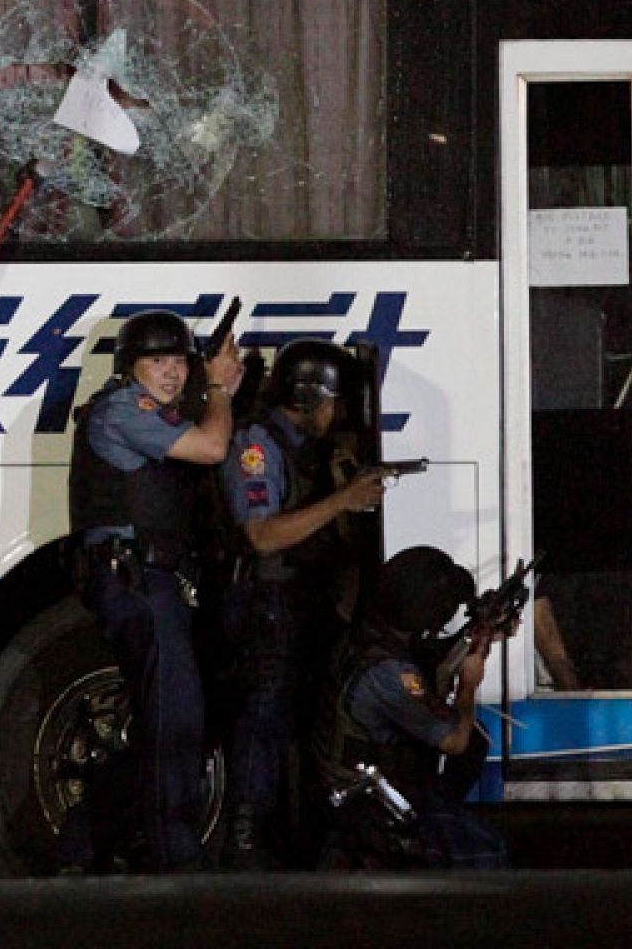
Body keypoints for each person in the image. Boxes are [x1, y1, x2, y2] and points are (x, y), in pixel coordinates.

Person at [64, 309, 244, 872]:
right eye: (157, 361)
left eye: (179, 361)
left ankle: (82, 842)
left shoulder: (159, 413)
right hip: (135, 579)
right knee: (174, 722)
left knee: (164, 720)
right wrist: (216, 387)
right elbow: (213, 448)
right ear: (129, 367)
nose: (171, 372)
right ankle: (176, 861)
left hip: (151, 581)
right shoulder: (125, 409)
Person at [215, 339, 387, 868]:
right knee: (263, 722)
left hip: (299, 601)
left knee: (296, 725)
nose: (336, 416)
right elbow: (262, 535)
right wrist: (342, 499)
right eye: (333, 404)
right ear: (311, 397)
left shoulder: (306, 447)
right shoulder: (257, 446)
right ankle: (244, 837)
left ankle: (290, 838)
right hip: (268, 603)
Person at [313, 545, 508, 870]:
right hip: (369, 801)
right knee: (489, 853)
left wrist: (480, 639)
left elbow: (433, 666)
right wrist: (469, 684)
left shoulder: (366, 638)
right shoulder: (391, 673)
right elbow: (454, 741)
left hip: (359, 787)